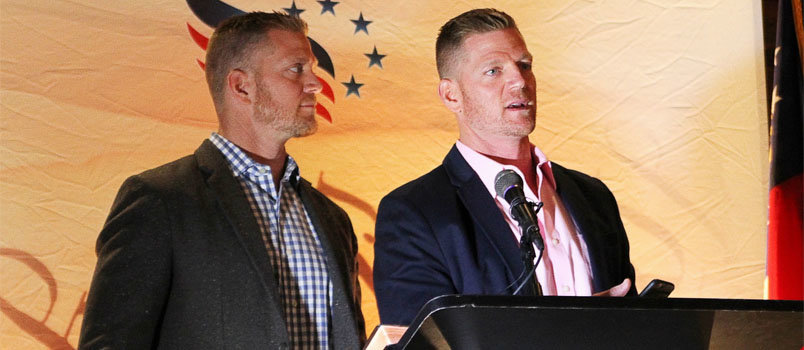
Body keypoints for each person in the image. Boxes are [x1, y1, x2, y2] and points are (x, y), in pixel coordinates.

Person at [79, 11, 365, 349]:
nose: (315, 83)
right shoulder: (159, 200)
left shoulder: (332, 218)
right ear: (242, 86)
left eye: (312, 69)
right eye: (296, 69)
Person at [373, 8, 637, 326]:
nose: (519, 81)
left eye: (524, 65)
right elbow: (422, 343)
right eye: (493, 71)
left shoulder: (594, 197)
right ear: (451, 95)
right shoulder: (415, 214)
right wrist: (571, 332)